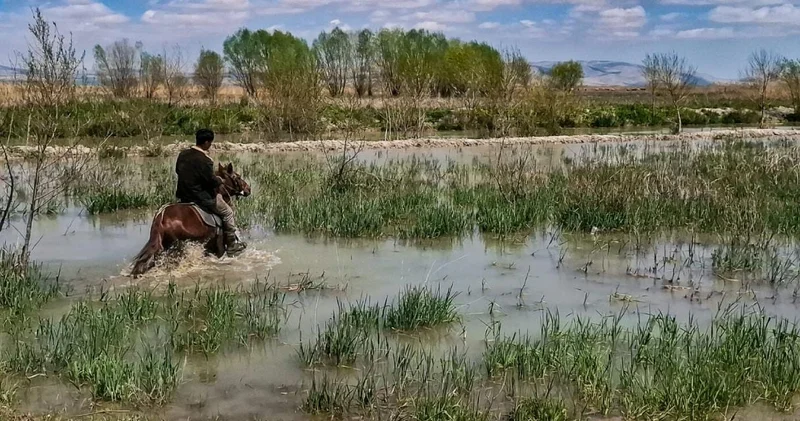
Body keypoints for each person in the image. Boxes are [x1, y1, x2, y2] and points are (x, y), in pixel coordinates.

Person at [175, 128, 246, 255]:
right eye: (210, 143)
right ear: (207, 142)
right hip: (201, 198)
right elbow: (210, 181)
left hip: (183, 196)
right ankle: (231, 244)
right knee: (228, 212)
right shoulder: (205, 160)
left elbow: (178, 171)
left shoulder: (182, 154)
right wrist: (219, 180)